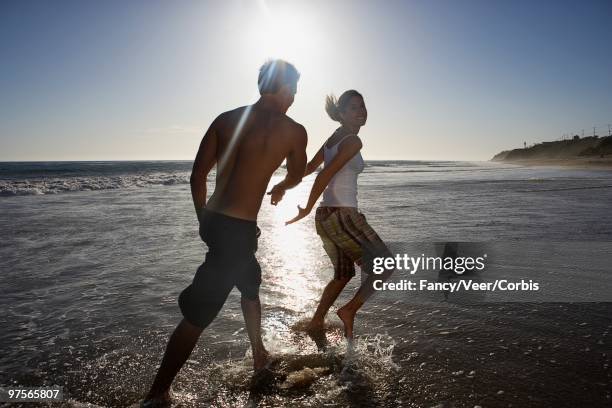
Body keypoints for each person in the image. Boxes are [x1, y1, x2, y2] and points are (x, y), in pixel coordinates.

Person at [142, 59, 307, 407]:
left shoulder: (226, 119)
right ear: (287, 87)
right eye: (294, 88)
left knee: (250, 279)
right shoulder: (294, 131)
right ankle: (157, 394)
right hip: (239, 229)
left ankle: (259, 352)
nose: (295, 96)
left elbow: (197, 177)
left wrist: (202, 218)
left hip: (216, 221)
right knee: (199, 313)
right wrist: (280, 186)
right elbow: (298, 174)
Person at [285, 90, 393, 340]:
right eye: (354, 107)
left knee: (343, 275)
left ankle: (315, 322)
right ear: (342, 114)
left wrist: (284, 185)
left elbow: (308, 168)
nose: (361, 111)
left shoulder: (334, 138)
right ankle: (349, 310)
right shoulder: (353, 141)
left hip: (326, 218)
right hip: (341, 215)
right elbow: (322, 174)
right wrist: (306, 208)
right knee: (386, 265)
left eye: (362, 106)